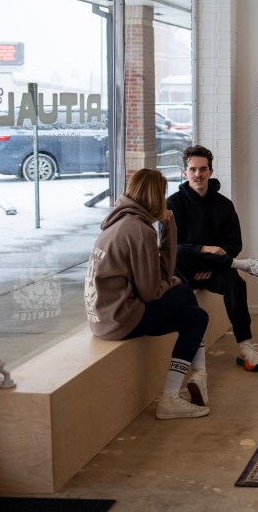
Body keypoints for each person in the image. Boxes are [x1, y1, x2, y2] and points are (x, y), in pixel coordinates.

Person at [84, 168, 210, 420]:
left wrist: (167, 229)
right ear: (155, 196)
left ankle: (181, 390)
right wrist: (172, 280)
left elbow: (155, 281)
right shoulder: (138, 230)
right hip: (120, 320)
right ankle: (193, 378)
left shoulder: (119, 222)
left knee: (195, 317)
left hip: (102, 319)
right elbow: (152, 290)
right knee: (185, 292)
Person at [168, 145, 258, 372]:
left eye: (202, 169)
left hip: (214, 271)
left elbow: (234, 244)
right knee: (180, 252)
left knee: (235, 282)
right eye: (192, 169)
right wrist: (205, 250)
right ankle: (248, 265)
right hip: (184, 271)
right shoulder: (173, 204)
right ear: (184, 172)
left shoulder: (224, 205)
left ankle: (245, 347)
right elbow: (170, 247)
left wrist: (211, 263)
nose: (197, 174)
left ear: (210, 171)